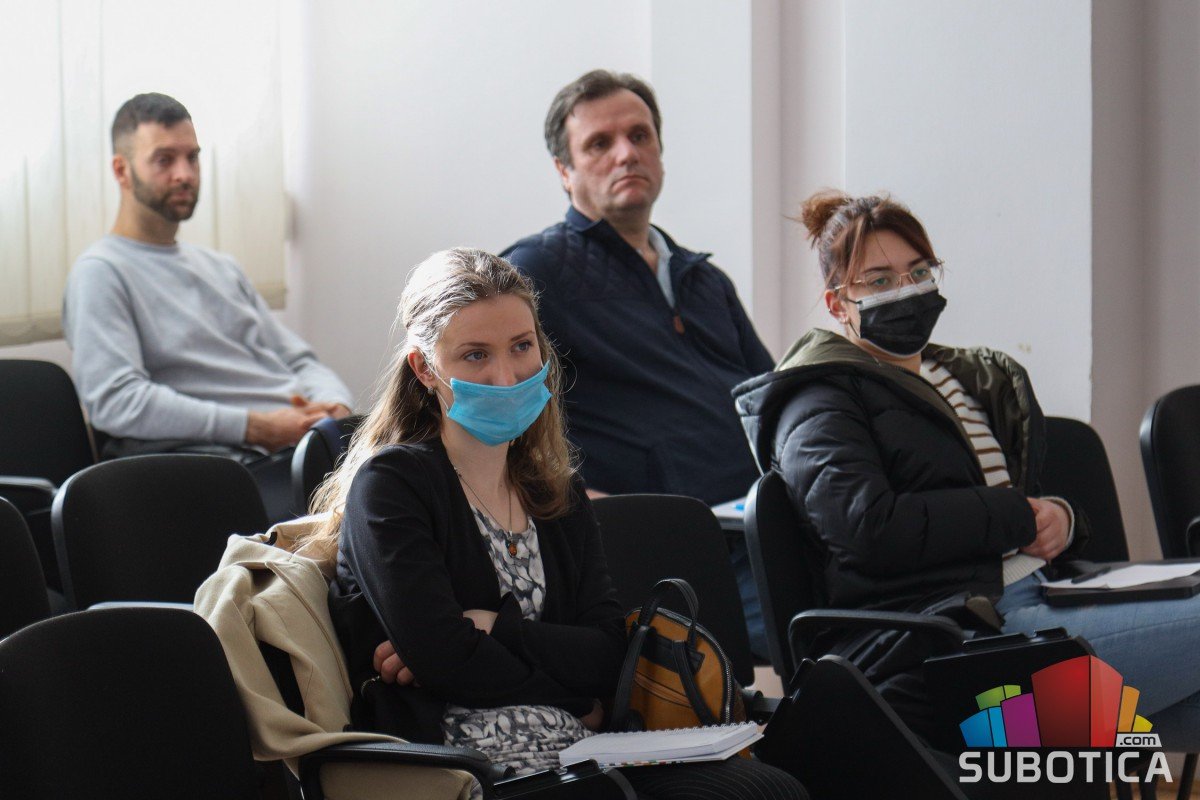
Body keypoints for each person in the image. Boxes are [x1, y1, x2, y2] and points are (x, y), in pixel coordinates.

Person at [301, 248, 806, 799]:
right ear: (425, 369)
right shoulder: (392, 484)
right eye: (475, 355)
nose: (506, 375)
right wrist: (576, 697)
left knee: (773, 785)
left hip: (587, 756)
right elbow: (447, 661)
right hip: (469, 771)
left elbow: (608, 653)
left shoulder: (556, 494)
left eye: (522, 346)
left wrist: (496, 629)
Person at [733, 189, 1200, 751]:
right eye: (878, 281)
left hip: (1042, 595)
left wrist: (1061, 518)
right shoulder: (817, 400)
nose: (905, 290)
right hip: (953, 637)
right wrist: (1014, 516)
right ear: (837, 305)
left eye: (918, 272)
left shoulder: (960, 380)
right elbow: (869, 529)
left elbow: (1014, 504)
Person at [502, 70, 774, 654]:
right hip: (666, 549)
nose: (626, 153)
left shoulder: (704, 279)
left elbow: (769, 401)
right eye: (600, 143)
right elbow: (494, 418)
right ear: (564, 171)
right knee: (839, 640)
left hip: (762, 522)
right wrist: (578, 505)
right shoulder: (535, 273)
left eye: (640, 135)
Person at [62, 92, 352, 520]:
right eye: (165, 160)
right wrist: (256, 427)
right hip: (235, 467)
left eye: (192, 158)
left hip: (303, 446)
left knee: (427, 469)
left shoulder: (221, 267)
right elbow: (118, 400)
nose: (185, 174)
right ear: (121, 170)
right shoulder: (101, 273)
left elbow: (299, 360)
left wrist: (335, 408)